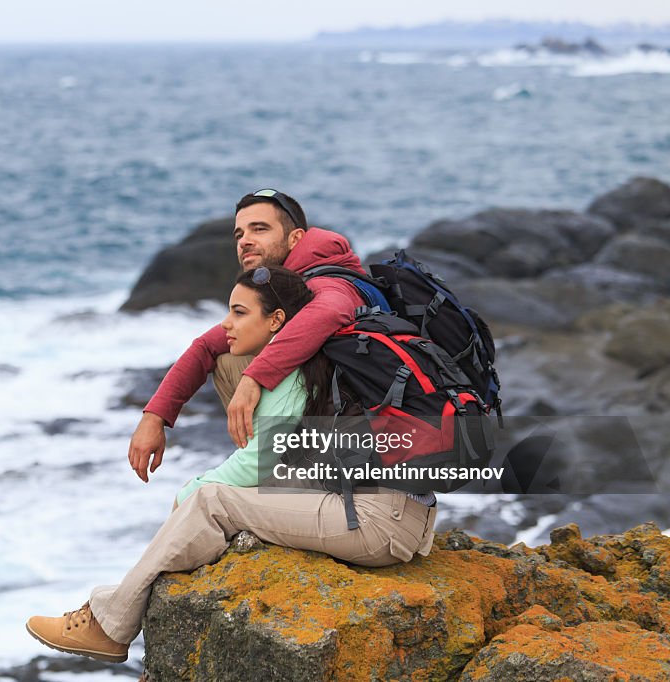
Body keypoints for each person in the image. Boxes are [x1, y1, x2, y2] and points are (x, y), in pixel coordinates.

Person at [25, 266, 438, 663]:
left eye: (239, 313)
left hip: (378, 523)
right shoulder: (309, 358)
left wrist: (188, 495)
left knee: (209, 500)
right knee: (227, 494)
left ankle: (110, 625)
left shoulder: (292, 375)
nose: (226, 324)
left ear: (277, 320)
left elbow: (253, 468)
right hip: (398, 512)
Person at [128, 189, 367, 484]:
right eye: (239, 233)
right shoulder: (284, 284)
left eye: (260, 229)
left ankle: (269, 479)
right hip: (329, 423)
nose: (245, 241)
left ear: (296, 239)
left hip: (361, 447)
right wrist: (154, 418)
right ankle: (263, 473)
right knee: (228, 352)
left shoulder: (327, 279)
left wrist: (255, 377)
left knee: (235, 360)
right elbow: (205, 346)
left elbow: (330, 312)